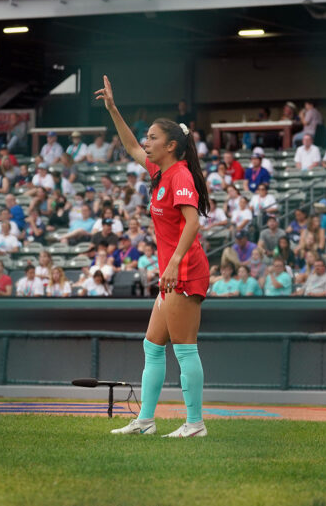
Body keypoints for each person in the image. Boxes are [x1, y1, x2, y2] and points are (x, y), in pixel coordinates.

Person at [98, 75, 210, 438]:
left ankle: (195, 424)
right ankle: (145, 420)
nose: (146, 142)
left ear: (172, 145)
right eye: (148, 136)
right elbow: (130, 146)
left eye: (153, 137)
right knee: (153, 346)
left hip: (186, 269)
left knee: (185, 349)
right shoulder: (161, 171)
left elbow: (193, 222)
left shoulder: (179, 176)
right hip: (171, 270)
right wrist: (113, 110)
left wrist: (175, 262)